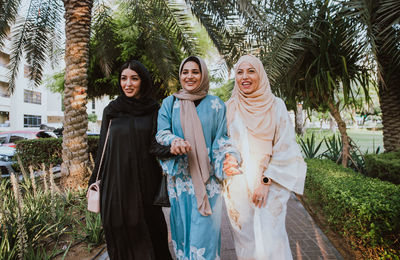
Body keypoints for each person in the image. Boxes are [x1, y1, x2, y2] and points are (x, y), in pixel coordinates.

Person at [156, 56, 241, 260]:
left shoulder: (217, 105)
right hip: (180, 183)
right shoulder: (170, 103)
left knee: (205, 240)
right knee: (182, 235)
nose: (189, 76)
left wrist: (229, 158)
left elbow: (222, 140)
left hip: (208, 183)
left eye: (195, 72)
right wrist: (174, 141)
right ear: (180, 75)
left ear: (203, 75)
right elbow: (161, 133)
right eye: (185, 72)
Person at [224, 54, 307, 260]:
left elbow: (285, 148)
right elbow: (221, 143)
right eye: (240, 72)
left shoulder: (275, 105)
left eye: (251, 71)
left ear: (260, 74)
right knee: (245, 240)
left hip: (269, 185)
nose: (245, 76)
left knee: (272, 239)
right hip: (237, 186)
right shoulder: (229, 107)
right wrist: (226, 159)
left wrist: (265, 181)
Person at [88, 60, 173, 260]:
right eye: (124, 78)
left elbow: (154, 144)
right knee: (120, 232)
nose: (128, 84)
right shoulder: (112, 110)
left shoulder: (153, 109)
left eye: (134, 78)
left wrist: (174, 149)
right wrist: (93, 182)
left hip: (146, 184)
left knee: (152, 232)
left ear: (142, 81)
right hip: (116, 184)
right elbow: (103, 149)